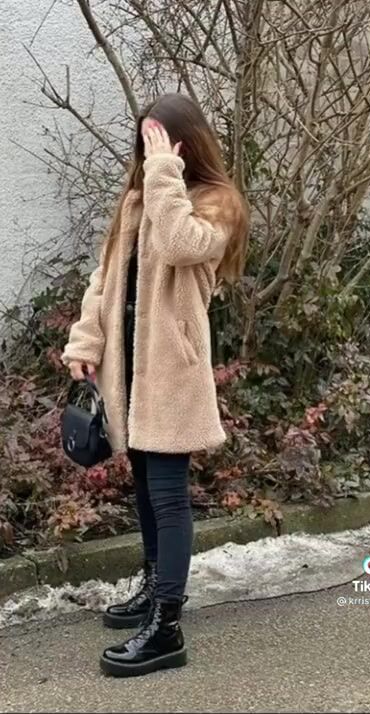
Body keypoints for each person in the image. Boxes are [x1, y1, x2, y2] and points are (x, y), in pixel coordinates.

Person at [62, 92, 249, 678]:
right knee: (144, 487)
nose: (148, 153)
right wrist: (85, 344)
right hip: (128, 373)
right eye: (144, 143)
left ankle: (166, 627)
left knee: (168, 494)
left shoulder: (217, 202)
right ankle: (154, 589)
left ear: (183, 143)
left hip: (171, 374)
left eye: (158, 141)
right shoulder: (139, 199)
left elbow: (179, 244)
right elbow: (104, 279)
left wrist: (164, 171)